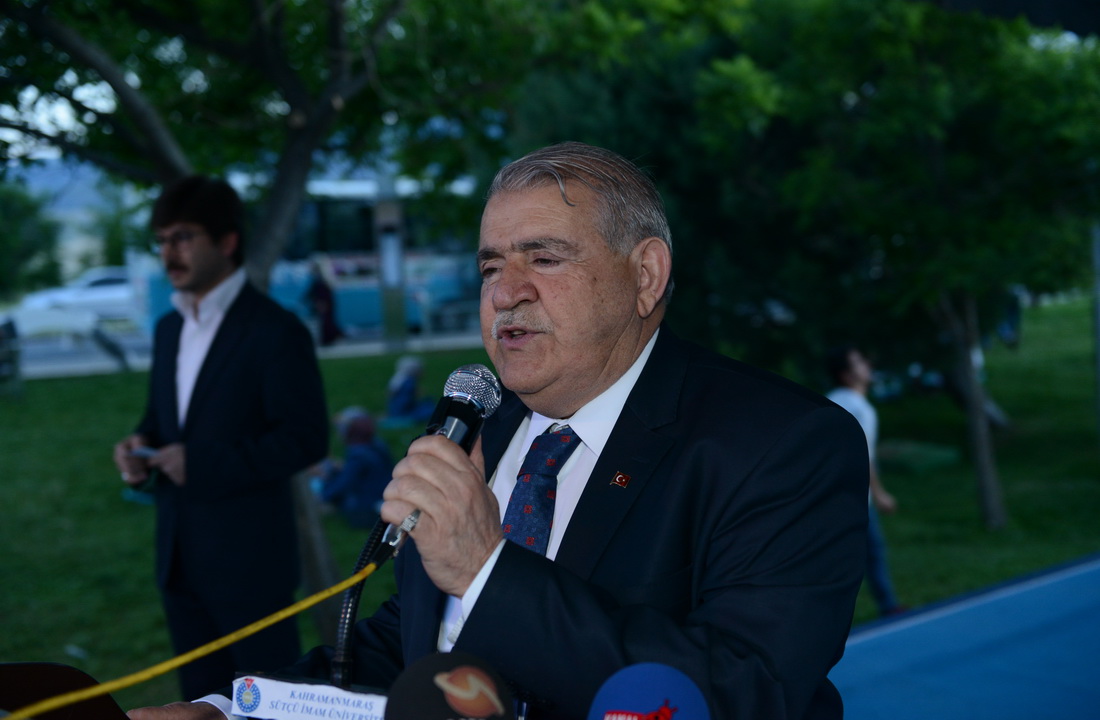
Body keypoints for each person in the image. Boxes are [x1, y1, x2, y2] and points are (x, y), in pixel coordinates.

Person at [129, 143, 868, 720]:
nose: (506, 293)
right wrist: (230, 710)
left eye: (544, 258)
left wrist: (485, 568)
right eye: (490, 268)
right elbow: (408, 643)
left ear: (645, 275)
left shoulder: (786, 445)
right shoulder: (485, 422)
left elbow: (741, 694)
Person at [112, 175, 329, 699]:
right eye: (162, 240)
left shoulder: (275, 331)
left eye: (183, 237)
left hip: (250, 565)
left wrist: (202, 462)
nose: (169, 253)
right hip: (178, 558)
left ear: (227, 241)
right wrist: (138, 445)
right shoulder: (169, 329)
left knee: (265, 703)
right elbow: (164, 420)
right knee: (198, 704)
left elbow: (305, 440)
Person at [826, 344, 906, 617]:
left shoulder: (835, 400)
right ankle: (888, 606)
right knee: (866, 553)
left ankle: (887, 604)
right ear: (846, 375)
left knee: (862, 553)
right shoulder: (858, 408)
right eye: (859, 362)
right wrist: (880, 494)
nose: (867, 366)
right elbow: (861, 456)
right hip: (849, 497)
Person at [313, 407, 394, 528]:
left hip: (369, 508)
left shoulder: (358, 455)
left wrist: (322, 497)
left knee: (324, 483)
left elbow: (344, 483)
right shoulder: (377, 445)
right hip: (384, 496)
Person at [384, 355, 435, 424]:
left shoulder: (399, 380)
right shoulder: (408, 383)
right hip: (404, 412)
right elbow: (405, 402)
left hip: (397, 411)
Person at [303, 260, 343, 346]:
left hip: (323, 304)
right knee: (324, 322)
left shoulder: (321, 280)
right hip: (323, 303)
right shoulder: (319, 279)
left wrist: (320, 303)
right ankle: (328, 338)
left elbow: (321, 293)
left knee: (326, 322)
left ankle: (329, 338)